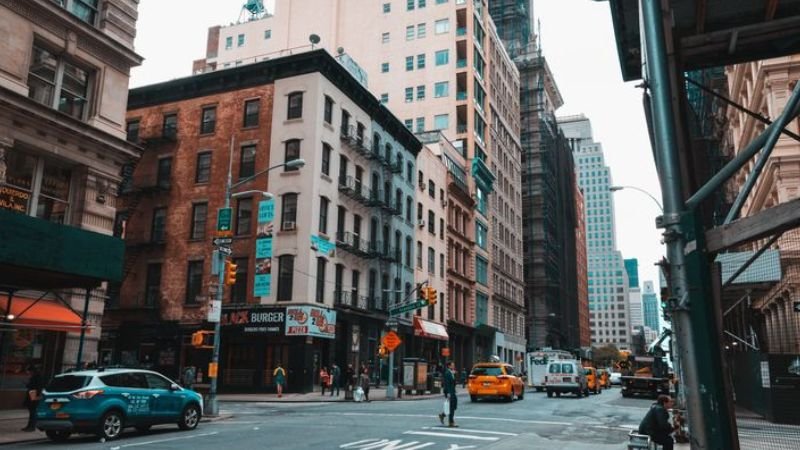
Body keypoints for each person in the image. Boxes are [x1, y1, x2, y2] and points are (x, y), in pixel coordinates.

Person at [22, 365, 43, 432]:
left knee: (33, 411)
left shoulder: (36, 377)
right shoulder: (36, 377)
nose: (28, 373)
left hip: (34, 393)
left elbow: (34, 386)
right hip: (33, 393)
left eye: (29, 371)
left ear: (32, 371)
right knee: (32, 411)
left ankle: (32, 426)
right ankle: (29, 426)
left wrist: (27, 384)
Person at [438, 361, 458, 427]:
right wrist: (448, 393)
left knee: (453, 405)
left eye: (454, 365)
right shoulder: (447, 373)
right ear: (449, 366)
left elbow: (453, 382)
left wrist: (454, 374)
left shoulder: (451, 372)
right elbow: (447, 384)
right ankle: (451, 422)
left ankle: (442, 415)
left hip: (452, 391)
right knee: (451, 406)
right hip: (449, 392)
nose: (453, 366)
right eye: (452, 365)